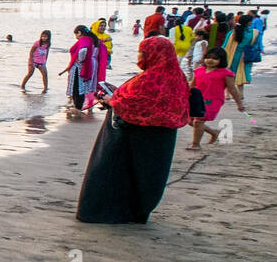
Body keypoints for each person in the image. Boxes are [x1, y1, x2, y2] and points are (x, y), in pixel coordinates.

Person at [77, 36, 189, 224]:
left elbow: (133, 105)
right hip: (161, 140)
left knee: (114, 173)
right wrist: (117, 95)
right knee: (146, 177)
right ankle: (137, 211)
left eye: (142, 53)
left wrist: (111, 100)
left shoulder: (150, 79)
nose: (139, 56)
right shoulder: (177, 77)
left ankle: (105, 213)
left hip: (130, 137)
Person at [189, 47, 245, 148]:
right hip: (197, 99)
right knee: (189, 121)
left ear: (221, 60)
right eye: (208, 57)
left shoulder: (226, 73)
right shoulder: (198, 71)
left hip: (212, 101)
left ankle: (195, 144)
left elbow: (232, 89)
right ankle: (214, 132)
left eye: (215, 58)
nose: (210, 60)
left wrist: (239, 104)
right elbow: (191, 86)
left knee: (198, 121)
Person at [58, 26, 100, 110]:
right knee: (81, 87)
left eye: (76, 34)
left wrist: (80, 60)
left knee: (76, 87)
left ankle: (77, 107)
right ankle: (79, 106)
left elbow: (83, 51)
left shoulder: (84, 40)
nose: (75, 37)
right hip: (87, 65)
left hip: (79, 67)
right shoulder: (90, 40)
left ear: (79, 33)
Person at [222, 15, 258, 100]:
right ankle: (241, 94)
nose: (252, 22)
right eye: (251, 21)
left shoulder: (232, 32)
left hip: (232, 56)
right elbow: (255, 45)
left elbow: (225, 45)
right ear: (248, 23)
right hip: (245, 56)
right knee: (241, 75)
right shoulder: (254, 33)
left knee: (229, 75)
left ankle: (227, 94)